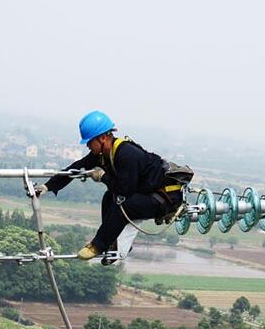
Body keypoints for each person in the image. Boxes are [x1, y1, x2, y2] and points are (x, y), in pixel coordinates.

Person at [37, 110, 187, 262]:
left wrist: (103, 177)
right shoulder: (103, 155)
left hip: (164, 198)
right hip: (147, 193)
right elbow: (77, 167)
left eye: (90, 142)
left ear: (102, 138)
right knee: (109, 197)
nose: (88, 146)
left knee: (125, 205)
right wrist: (48, 186)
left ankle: (98, 245)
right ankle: (114, 243)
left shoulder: (127, 154)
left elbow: (125, 191)